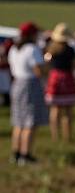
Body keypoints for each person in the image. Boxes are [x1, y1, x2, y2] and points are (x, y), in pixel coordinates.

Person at [8, 22, 48, 165]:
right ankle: (26, 154)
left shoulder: (14, 48)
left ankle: (16, 153)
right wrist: (46, 69)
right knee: (30, 122)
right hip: (30, 84)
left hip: (17, 83)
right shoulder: (32, 49)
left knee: (18, 121)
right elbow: (38, 71)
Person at [44, 23, 75, 142]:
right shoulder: (70, 50)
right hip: (67, 77)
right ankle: (67, 136)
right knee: (68, 110)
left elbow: (47, 63)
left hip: (55, 77)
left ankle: (55, 136)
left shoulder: (51, 48)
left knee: (55, 109)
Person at [0, 38, 13, 106]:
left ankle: (7, 100)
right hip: (3, 70)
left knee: (6, 87)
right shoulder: (4, 47)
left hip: (5, 70)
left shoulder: (7, 47)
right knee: (5, 87)